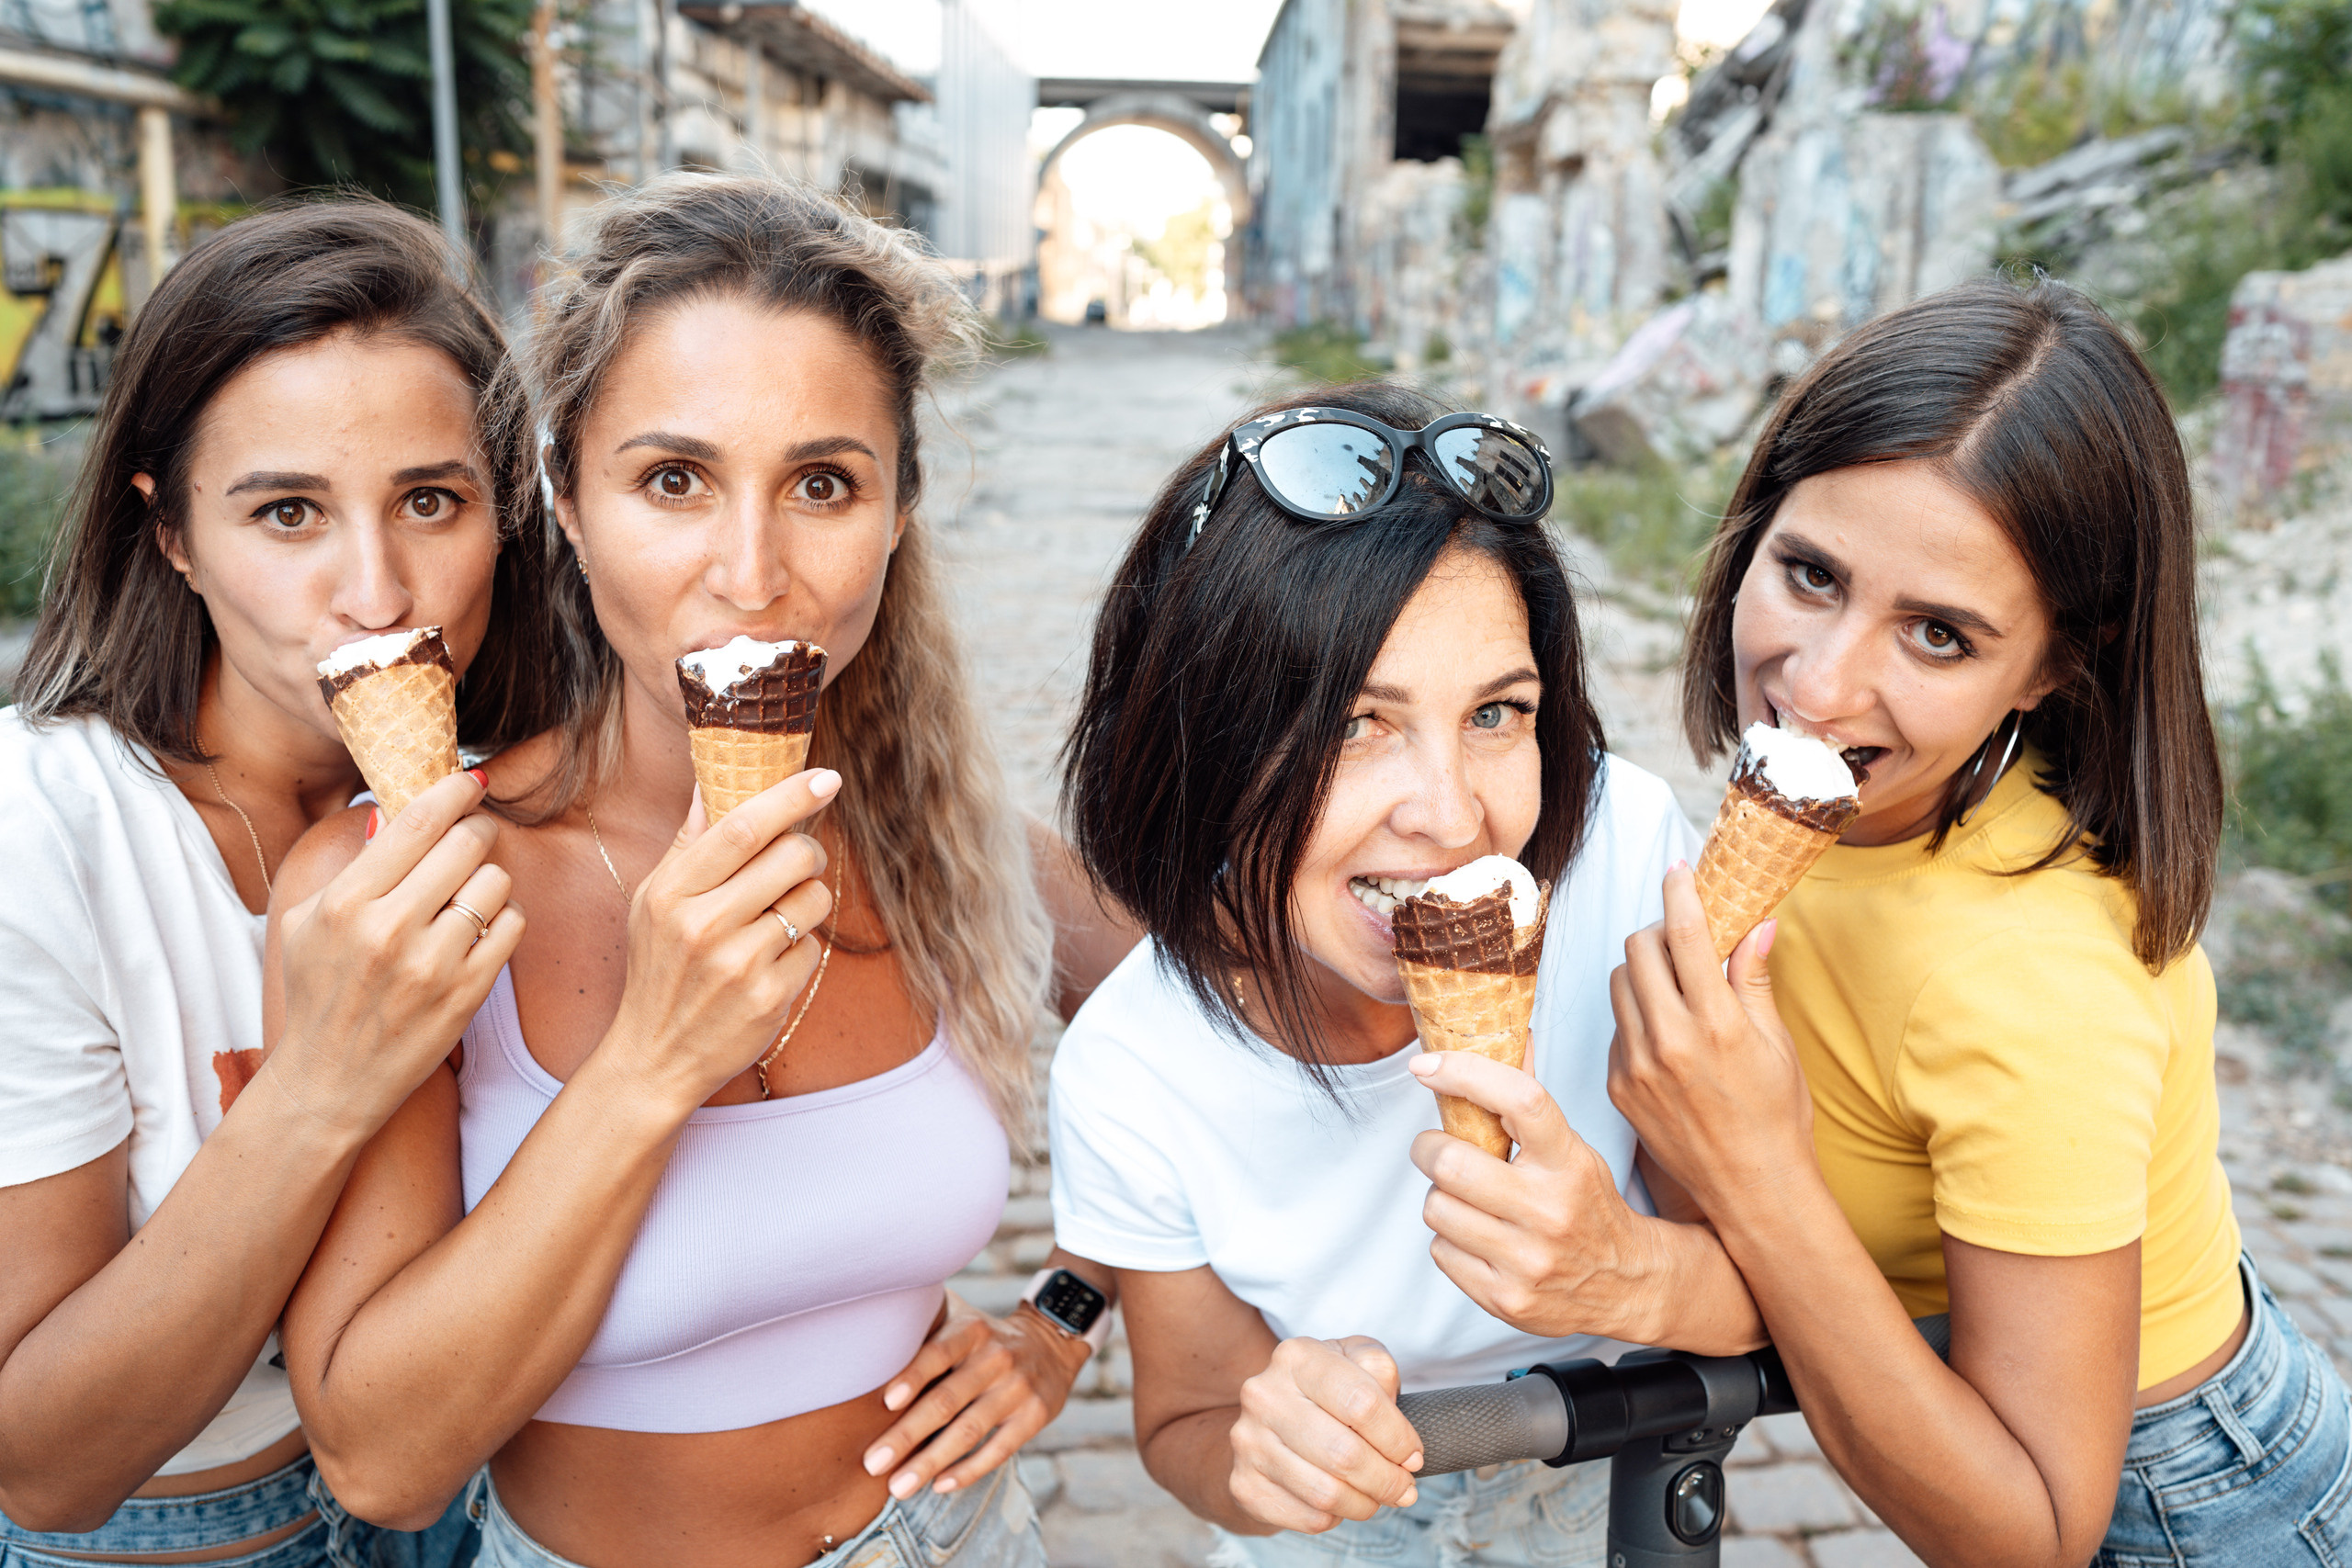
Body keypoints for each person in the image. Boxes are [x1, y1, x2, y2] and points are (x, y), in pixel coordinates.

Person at [1424, 278, 2352, 1566]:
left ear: (2055, 664)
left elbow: (2031, 1533)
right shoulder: (1853, 809)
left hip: (2193, 1509)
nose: (1818, 684)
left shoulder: (2036, 984)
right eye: (1810, 574)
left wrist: (1753, 1168)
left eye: (1937, 634)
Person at [273, 173, 1116, 1568]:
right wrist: (654, 1058)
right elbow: (384, 1462)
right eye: (674, 480)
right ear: (565, 499)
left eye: (824, 484)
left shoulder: (952, 844)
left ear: (899, 509)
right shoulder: (400, 883)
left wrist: (1066, 1319)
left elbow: (1223, 1033)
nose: (751, 570)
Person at [1047, 384, 1769, 1567]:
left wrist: (1622, 1273)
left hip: (1625, 1480)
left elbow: (1773, 1288)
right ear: (1199, 738)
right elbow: (1185, 1420)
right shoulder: (1132, 1068)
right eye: (1351, 722)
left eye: (1498, 713)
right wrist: (1270, 1455)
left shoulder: (1627, 857)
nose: (1450, 817)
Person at [0, 198, 556, 1564]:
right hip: (189, 1531)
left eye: (431, 501)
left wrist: (1054, 1311)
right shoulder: (45, 826)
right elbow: (45, 1466)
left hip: (499, 1497)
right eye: (288, 513)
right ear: (173, 534)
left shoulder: (546, 789)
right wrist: (326, 1078)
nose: (376, 592)